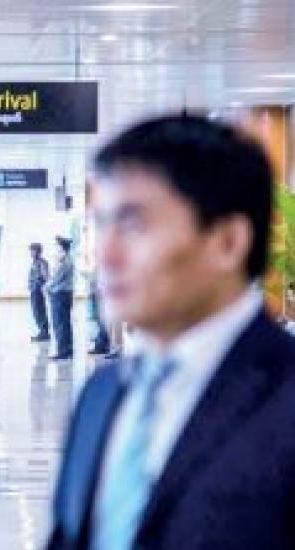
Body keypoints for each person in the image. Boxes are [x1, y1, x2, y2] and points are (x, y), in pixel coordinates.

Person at [46, 115, 295, 550]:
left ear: (228, 241)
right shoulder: (101, 394)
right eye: (101, 224)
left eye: (133, 225)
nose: (106, 254)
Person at [47, 237, 75, 360]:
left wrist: (45, 287)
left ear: (62, 247)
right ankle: (67, 350)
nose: (55, 248)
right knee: (63, 323)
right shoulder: (64, 260)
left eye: (57, 246)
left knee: (60, 324)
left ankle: (63, 351)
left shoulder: (65, 262)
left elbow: (56, 278)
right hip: (61, 294)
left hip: (60, 294)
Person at [28, 243, 51, 342]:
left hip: (38, 291)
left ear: (37, 251)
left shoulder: (42, 262)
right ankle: (42, 331)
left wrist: (40, 284)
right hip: (34, 290)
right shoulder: (35, 262)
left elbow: (46, 276)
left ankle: (44, 333)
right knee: (36, 312)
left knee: (39, 311)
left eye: (32, 251)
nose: (31, 253)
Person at [88, 270, 111, 355]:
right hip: (94, 289)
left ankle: (102, 344)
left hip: (101, 289)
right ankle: (100, 343)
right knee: (96, 317)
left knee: (103, 319)